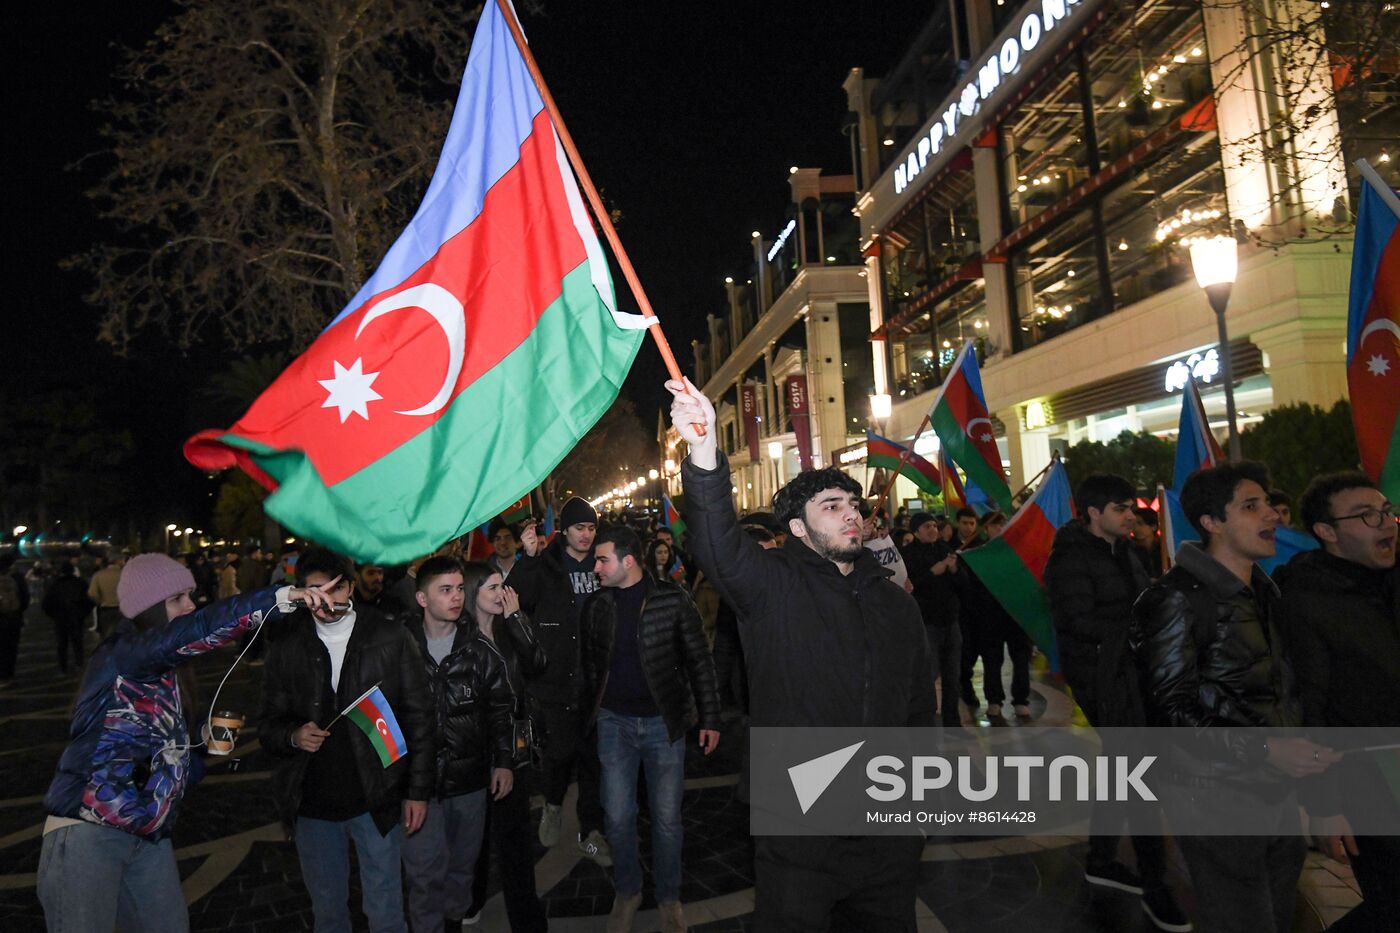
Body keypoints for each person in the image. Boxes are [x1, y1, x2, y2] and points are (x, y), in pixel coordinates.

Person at [668, 377, 934, 930]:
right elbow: (716, 542)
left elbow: (917, 708)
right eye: (831, 505)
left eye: (853, 504)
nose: (850, 513)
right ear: (796, 527)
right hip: (800, 821)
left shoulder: (895, 604)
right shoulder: (771, 588)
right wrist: (702, 450)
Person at [37, 553, 338, 932]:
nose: (190, 605)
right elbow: (195, 630)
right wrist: (279, 599)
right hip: (88, 833)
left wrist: (202, 746)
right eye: (178, 597)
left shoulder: (171, 677)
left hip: (149, 836)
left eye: (191, 595)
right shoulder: (123, 654)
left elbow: (175, 769)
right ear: (148, 608)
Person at [1130, 462, 1340, 933]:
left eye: (1268, 503)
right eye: (1252, 506)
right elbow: (1171, 710)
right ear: (1211, 523)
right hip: (1215, 796)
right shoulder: (1177, 599)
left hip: (1275, 788)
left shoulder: (1264, 590)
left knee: (1278, 914)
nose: (1272, 516)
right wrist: (1264, 748)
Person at [260, 547, 435, 933]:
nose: (325, 600)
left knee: (387, 911)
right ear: (301, 594)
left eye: (335, 589)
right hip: (313, 805)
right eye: (314, 590)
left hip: (375, 798)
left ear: (351, 589)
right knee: (329, 915)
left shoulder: (389, 635)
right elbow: (267, 726)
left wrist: (417, 791)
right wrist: (292, 735)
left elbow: (420, 716)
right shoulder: (288, 644)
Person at [1044, 474, 1187, 931]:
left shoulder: (1127, 550)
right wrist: (1139, 629)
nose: (1131, 516)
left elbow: (1142, 601)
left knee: (1123, 767)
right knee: (1137, 770)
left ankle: (1101, 858)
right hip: (1103, 678)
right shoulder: (1068, 560)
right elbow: (1077, 621)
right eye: (1122, 509)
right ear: (1093, 513)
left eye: (1131, 509)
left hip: (1134, 671)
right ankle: (1155, 884)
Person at [580, 526, 720, 933]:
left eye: (602, 559)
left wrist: (710, 717)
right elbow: (590, 668)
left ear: (628, 561)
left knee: (666, 819)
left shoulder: (672, 600)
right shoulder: (597, 606)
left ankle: (669, 898)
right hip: (613, 722)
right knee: (619, 816)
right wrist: (586, 718)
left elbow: (699, 660)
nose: (596, 566)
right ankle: (628, 890)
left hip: (664, 724)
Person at [1276, 472, 1399, 931]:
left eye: (1386, 511)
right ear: (1327, 532)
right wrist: (1324, 803)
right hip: (1366, 776)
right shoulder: (1304, 601)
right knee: (1391, 900)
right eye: (1366, 516)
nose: (1385, 523)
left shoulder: (1391, 580)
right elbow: (1309, 707)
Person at [400, 557, 515, 933]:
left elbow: (500, 710)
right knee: (423, 876)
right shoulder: (400, 648)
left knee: (462, 871)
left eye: (460, 589)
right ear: (422, 598)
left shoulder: (479, 649)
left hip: (469, 783)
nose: (455, 598)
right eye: (445, 590)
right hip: (418, 787)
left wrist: (503, 762)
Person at [510, 497, 610, 864]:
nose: (585, 535)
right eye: (579, 528)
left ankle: (592, 831)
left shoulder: (604, 562)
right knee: (558, 755)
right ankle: (552, 806)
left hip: (597, 680)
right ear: (564, 530)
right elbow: (515, 599)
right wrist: (530, 559)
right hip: (556, 679)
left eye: (591, 528)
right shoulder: (548, 563)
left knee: (593, 762)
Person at [463, 561, 550, 930]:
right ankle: (471, 901)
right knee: (474, 840)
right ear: (473, 594)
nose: (501, 594)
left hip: (512, 751)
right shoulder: (459, 638)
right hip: (473, 752)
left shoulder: (509, 626)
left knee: (515, 841)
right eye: (492, 588)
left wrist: (516, 620)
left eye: (503, 586)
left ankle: (527, 921)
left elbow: (538, 662)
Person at [965, 511, 1033, 719]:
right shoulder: (980, 554)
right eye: (995, 525)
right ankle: (994, 700)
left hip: (1017, 614)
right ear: (986, 529)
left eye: (1003, 525)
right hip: (990, 616)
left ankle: (1021, 699)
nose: (1000, 529)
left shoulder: (1018, 551)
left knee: (1021, 659)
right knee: (992, 661)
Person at [902, 511, 962, 727]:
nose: (933, 529)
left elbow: (962, 586)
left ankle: (952, 719)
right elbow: (909, 586)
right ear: (916, 531)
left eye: (934, 526)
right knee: (928, 674)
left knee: (952, 676)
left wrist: (954, 570)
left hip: (950, 620)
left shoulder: (944, 549)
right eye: (927, 526)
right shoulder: (908, 554)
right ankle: (924, 719)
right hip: (927, 622)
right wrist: (932, 572)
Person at [712, 526, 774, 716]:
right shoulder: (733, 597)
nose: (774, 562)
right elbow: (724, 648)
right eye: (767, 556)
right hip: (751, 694)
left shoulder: (788, 588)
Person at [42, 563, 93, 676]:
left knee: (61, 644)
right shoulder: (80, 583)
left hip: (60, 618)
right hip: (76, 617)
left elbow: (47, 603)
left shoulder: (56, 584)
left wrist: (54, 615)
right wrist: (83, 613)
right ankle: (79, 664)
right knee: (77, 642)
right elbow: (89, 600)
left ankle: (63, 667)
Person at [0, 555, 31, 686]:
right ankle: (8, 674)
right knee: (11, 647)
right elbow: (25, 598)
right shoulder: (17, 578)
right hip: (14, 617)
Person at [87, 555, 123, 637]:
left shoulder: (98, 575)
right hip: (122, 609)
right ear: (118, 561)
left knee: (106, 636)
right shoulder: (124, 574)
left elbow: (92, 593)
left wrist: (100, 601)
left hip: (105, 609)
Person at [1131, 506, 1164, 580]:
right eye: (1133, 524)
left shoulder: (1163, 549)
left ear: (1153, 527)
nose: (1135, 528)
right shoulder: (1131, 550)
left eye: (1140, 524)